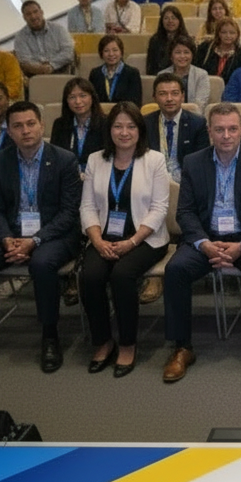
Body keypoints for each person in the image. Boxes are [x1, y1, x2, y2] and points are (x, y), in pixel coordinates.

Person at [162, 103, 241, 383]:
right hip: (208, 239)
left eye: (232, 129)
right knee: (176, 270)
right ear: (209, 132)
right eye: (219, 129)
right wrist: (204, 243)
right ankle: (182, 347)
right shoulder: (193, 162)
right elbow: (185, 213)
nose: (226, 135)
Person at [0, 101, 82, 375]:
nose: (25, 130)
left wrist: (34, 240)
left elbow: (68, 213)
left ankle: (50, 336)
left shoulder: (64, 160)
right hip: (11, 235)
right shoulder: (0, 161)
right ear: (10, 132)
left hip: (54, 235)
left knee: (41, 264)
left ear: (41, 125)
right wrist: (5, 239)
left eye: (30, 124)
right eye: (18, 126)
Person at [79, 103, 170, 378]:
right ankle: (103, 342)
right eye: (118, 126)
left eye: (131, 126)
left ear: (140, 130)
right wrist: (96, 240)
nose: (124, 132)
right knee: (90, 276)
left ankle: (128, 344)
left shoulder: (154, 160)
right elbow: (87, 207)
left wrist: (132, 241)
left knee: (121, 275)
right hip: (104, 236)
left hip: (146, 238)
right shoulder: (96, 159)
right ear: (110, 130)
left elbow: (159, 208)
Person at [144, 72, 210, 182]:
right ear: (154, 97)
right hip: (152, 181)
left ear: (182, 96)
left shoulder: (197, 123)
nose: (169, 99)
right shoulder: (145, 123)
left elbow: (202, 162)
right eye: (163, 94)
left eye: (175, 93)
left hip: (186, 182)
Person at [51, 77, 105, 174]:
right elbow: (55, 157)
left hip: (97, 176)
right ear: (66, 101)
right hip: (68, 179)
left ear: (92, 97)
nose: (78, 101)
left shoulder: (106, 123)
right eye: (72, 97)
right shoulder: (60, 124)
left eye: (83, 96)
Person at [13, 0, 76, 78]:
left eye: (35, 12)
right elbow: (24, 61)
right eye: (28, 14)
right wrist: (41, 69)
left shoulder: (58, 29)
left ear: (41, 12)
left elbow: (68, 52)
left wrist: (51, 65)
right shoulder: (20, 37)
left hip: (61, 71)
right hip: (35, 76)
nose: (33, 16)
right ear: (24, 17)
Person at [88, 35, 143, 107]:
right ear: (101, 54)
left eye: (115, 50)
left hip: (125, 115)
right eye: (106, 51)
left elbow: (135, 103)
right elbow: (91, 100)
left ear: (121, 52)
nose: (111, 54)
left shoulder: (132, 73)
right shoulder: (95, 73)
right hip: (100, 116)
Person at [197, 18, 241, 83]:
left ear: (237, 34)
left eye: (232, 33)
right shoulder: (205, 48)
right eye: (224, 32)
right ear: (218, 33)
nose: (228, 36)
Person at [165, 35, 211, 111]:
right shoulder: (163, 75)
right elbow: (162, 102)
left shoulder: (201, 75)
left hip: (194, 116)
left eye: (186, 52)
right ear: (171, 56)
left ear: (192, 55)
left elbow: (199, 105)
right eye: (178, 52)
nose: (182, 56)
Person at [147, 5, 191, 76]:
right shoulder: (155, 40)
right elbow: (151, 66)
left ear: (179, 21)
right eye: (166, 18)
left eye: (173, 18)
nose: (170, 21)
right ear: (162, 21)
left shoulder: (187, 40)